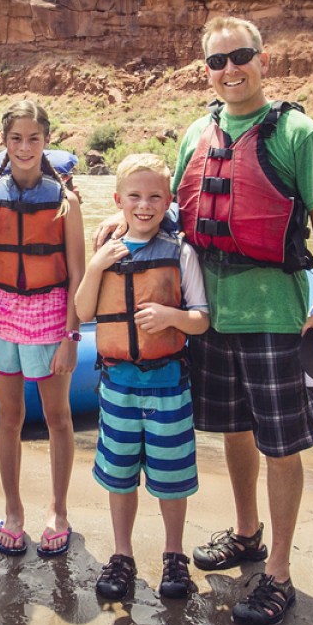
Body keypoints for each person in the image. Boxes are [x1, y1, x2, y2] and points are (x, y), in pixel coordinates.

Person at [95, 16, 313, 625]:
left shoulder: (298, 133)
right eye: (217, 61)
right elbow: (166, 215)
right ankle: (247, 532)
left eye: (241, 57)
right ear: (205, 68)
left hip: (276, 316)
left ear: (263, 60)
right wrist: (113, 228)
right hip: (210, 319)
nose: (230, 70)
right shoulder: (196, 134)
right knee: (234, 430)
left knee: (280, 443)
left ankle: (278, 572)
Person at [75, 154, 210, 600]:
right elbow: (84, 311)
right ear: (118, 200)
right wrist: (95, 266)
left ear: (169, 201)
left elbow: (200, 320)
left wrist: (172, 315)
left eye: (155, 197)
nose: (144, 205)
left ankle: (174, 555)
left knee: (171, 478)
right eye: (134, 196)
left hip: (169, 385)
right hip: (117, 386)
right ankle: (122, 555)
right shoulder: (106, 252)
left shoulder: (181, 252)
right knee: (119, 475)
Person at [0, 101, 85, 559]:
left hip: (49, 313)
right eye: (16, 139)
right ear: (4, 142)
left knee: (58, 418)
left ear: (46, 142)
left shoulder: (66, 201)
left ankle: (58, 511)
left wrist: (71, 336)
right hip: (1, 311)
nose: (25, 147)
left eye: (34, 139)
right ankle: (14, 510)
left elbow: (78, 275)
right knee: (9, 417)